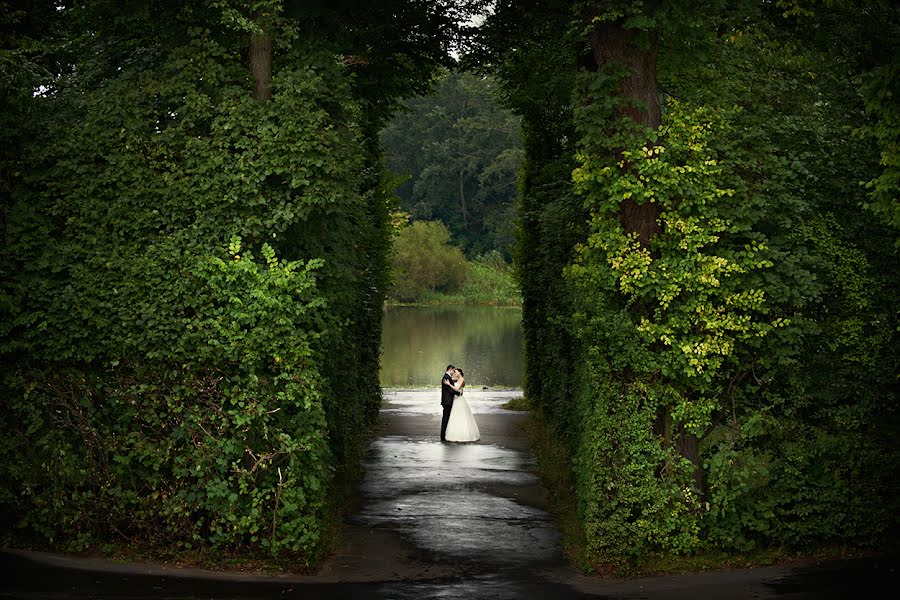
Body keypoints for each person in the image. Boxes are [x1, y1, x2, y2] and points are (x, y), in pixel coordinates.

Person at [444, 368, 480, 442]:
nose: (454, 373)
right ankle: (455, 433)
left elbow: (457, 389)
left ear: (459, 372)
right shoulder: (457, 379)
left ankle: (464, 435)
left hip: (459, 400)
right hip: (455, 399)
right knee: (455, 416)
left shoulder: (462, 380)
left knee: (461, 416)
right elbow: (450, 377)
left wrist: (448, 384)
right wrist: (447, 373)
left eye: (455, 372)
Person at [440, 364, 460, 442]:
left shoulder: (448, 377)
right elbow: (450, 390)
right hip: (447, 402)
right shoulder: (446, 377)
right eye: (453, 370)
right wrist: (458, 393)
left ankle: (443, 435)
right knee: (445, 419)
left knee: (446, 418)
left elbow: (451, 385)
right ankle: (442, 437)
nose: (454, 372)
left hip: (447, 401)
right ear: (450, 369)